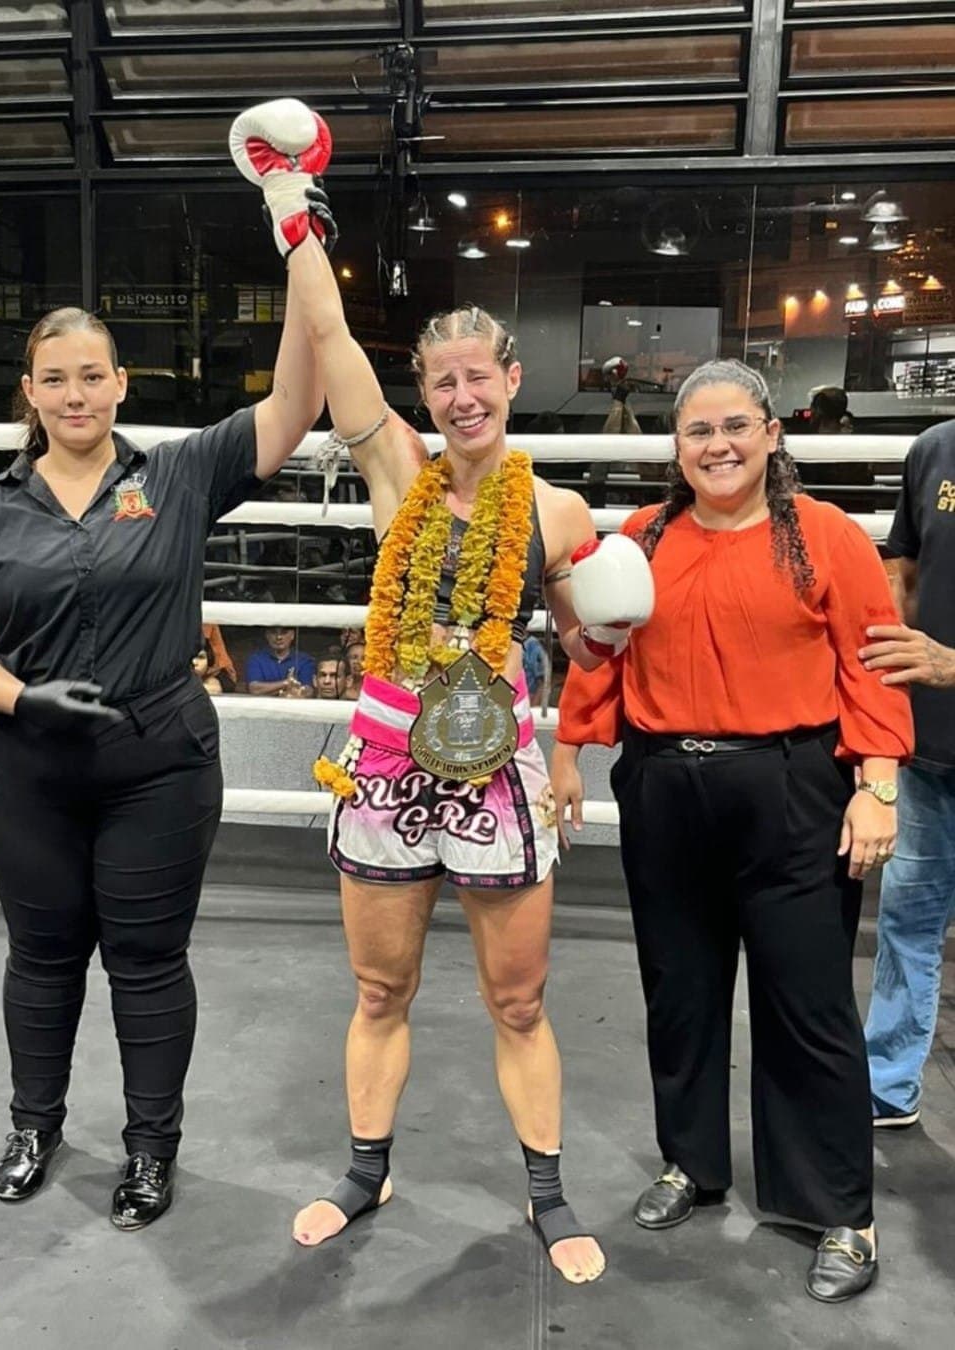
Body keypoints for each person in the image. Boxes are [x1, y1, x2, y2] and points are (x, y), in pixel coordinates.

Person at [229, 97, 651, 1285]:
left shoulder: (556, 510)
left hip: (498, 771)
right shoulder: (396, 469)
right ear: (426, 394)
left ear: (511, 379)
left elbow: (582, 645)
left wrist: (579, 719)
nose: (463, 396)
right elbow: (333, 341)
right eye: (443, 381)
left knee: (518, 1002)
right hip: (387, 760)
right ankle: (367, 1171)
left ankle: (547, 1194)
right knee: (378, 983)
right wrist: (289, 211)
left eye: (480, 376)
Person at [0, 166, 326, 1228]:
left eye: (92, 375)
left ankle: (151, 1150)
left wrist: (298, 246)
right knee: (42, 958)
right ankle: (33, 1123)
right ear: (31, 392)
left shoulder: (181, 475)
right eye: (55, 379)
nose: (76, 394)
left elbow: (294, 404)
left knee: (147, 962)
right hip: (33, 769)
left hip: (159, 761)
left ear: (120, 382)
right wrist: (19, 701)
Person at [552, 358, 913, 1303]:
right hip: (666, 784)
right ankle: (692, 1162)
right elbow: (600, 658)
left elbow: (873, 665)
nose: (718, 446)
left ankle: (842, 1211)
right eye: (698, 432)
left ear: (771, 434)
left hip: (791, 786)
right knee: (680, 988)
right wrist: (567, 748)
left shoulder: (826, 538)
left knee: (810, 1004)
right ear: (677, 447)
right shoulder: (639, 537)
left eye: (735, 427)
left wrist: (878, 784)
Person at [860, 421, 955, 1128]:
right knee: (907, 923)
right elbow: (908, 567)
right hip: (930, 749)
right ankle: (888, 1085)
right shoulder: (935, 449)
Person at [245, 624, 315, 696]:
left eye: (284, 632)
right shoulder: (256, 658)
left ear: (292, 635)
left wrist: (270, 689)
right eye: (274, 632)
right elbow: (254, 689)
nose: (279, 637)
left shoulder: (305, 660)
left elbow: (308, 691)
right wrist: (287, 683)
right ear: (267, 635)